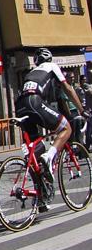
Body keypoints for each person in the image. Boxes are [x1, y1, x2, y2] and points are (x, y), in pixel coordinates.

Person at [14, 48, 85, 182]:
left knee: (37, 148)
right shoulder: (51, 66)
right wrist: (81, 109)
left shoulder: (30, 73)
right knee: (66, 128)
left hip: (20, 106)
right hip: (34, 101)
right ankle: (49, 156)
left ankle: (41, 194)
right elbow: (68, 89)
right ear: (49, 58)